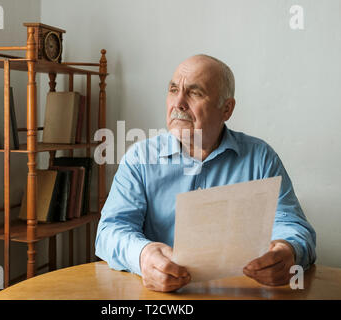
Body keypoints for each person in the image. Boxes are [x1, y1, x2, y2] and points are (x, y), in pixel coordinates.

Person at [95, 54, 316, 292]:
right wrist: (143, 255)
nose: (178, 103)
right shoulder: (139, 158)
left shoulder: (260, 158)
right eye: (173, 90)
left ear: (227, 109)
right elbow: (109, 231)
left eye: (194, 92)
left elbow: (294, 226)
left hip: (241, 293)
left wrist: (288, 250)